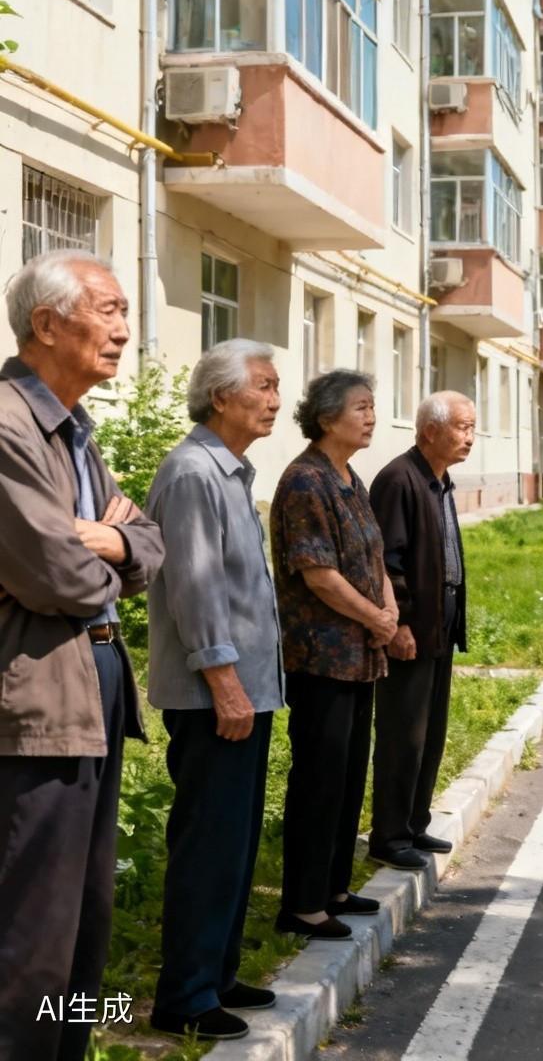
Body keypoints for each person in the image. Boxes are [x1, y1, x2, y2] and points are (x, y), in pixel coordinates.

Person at [0, 251, 164, 1061]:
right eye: (108, 309)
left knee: (83, 926)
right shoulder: (5, 423)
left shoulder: (72, 431)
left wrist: (114, 538)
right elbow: (55, 573)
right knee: (33, 934)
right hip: (37, 711)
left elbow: (150, 543)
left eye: (126, 311)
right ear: (47, 323)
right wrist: (109, 540)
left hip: (94, 697)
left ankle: (67, 1054)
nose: (125, 329)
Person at [147, 340, 284, 1043]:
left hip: (245, 693)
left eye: (275, 386)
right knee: (207, 843)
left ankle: (218, 973)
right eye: (262, 386)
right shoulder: (194, 471)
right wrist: (226, 684)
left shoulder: (231, 472)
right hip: (215, 699)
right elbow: (195, 592)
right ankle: (186, 996)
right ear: (221, 396)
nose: (274, 398)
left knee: (233, 842)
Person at [271, 370, 398, 940]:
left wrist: (389, 612)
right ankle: (301, 903)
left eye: (373, 407)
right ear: (327, 418)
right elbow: (318, 574)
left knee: (349, 773)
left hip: (360, 651)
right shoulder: (305, 481)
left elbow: (372, 558)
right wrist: (377, 619)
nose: (371, 416)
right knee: (319, 778)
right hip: (322, 657)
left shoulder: (350, 478)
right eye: (361, 408)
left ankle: (334, 887)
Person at [368, 391, 474, 871]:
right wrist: (400, 622)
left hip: (440, 622)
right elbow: (386, 561)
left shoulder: (440, 480)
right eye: (462, 427)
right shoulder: (398, 480)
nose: (469, 437)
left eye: (472, 428)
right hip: (411, 626)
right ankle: (388, 835)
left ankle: (414, 823)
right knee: (401, 732)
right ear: (430, 430)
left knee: (430, 730)